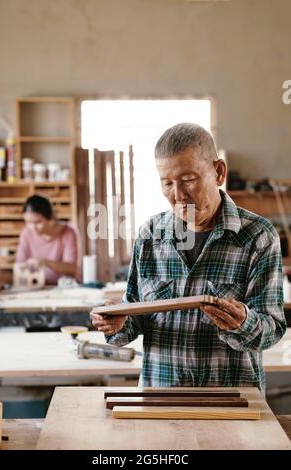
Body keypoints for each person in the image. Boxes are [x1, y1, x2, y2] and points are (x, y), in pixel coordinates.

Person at [91, 123, 286, 390]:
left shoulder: (258, 236)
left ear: (218, 172)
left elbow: (273, 328)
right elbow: (135, 312)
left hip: (232, 402)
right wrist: (117, 321)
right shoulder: (150, 234)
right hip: (161, 398)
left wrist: (243, 321)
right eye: (167, 183)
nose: (178, 195)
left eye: (189, 180)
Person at [16, 194, 80, 285]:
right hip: (36, 287)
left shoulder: (68, 232)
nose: (33, 227)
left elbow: (72, 268)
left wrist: (45, 262)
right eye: (28, 222)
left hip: (63, 287)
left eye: (38, 222)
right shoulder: (26, 233)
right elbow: (20, 264)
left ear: (50, 219)